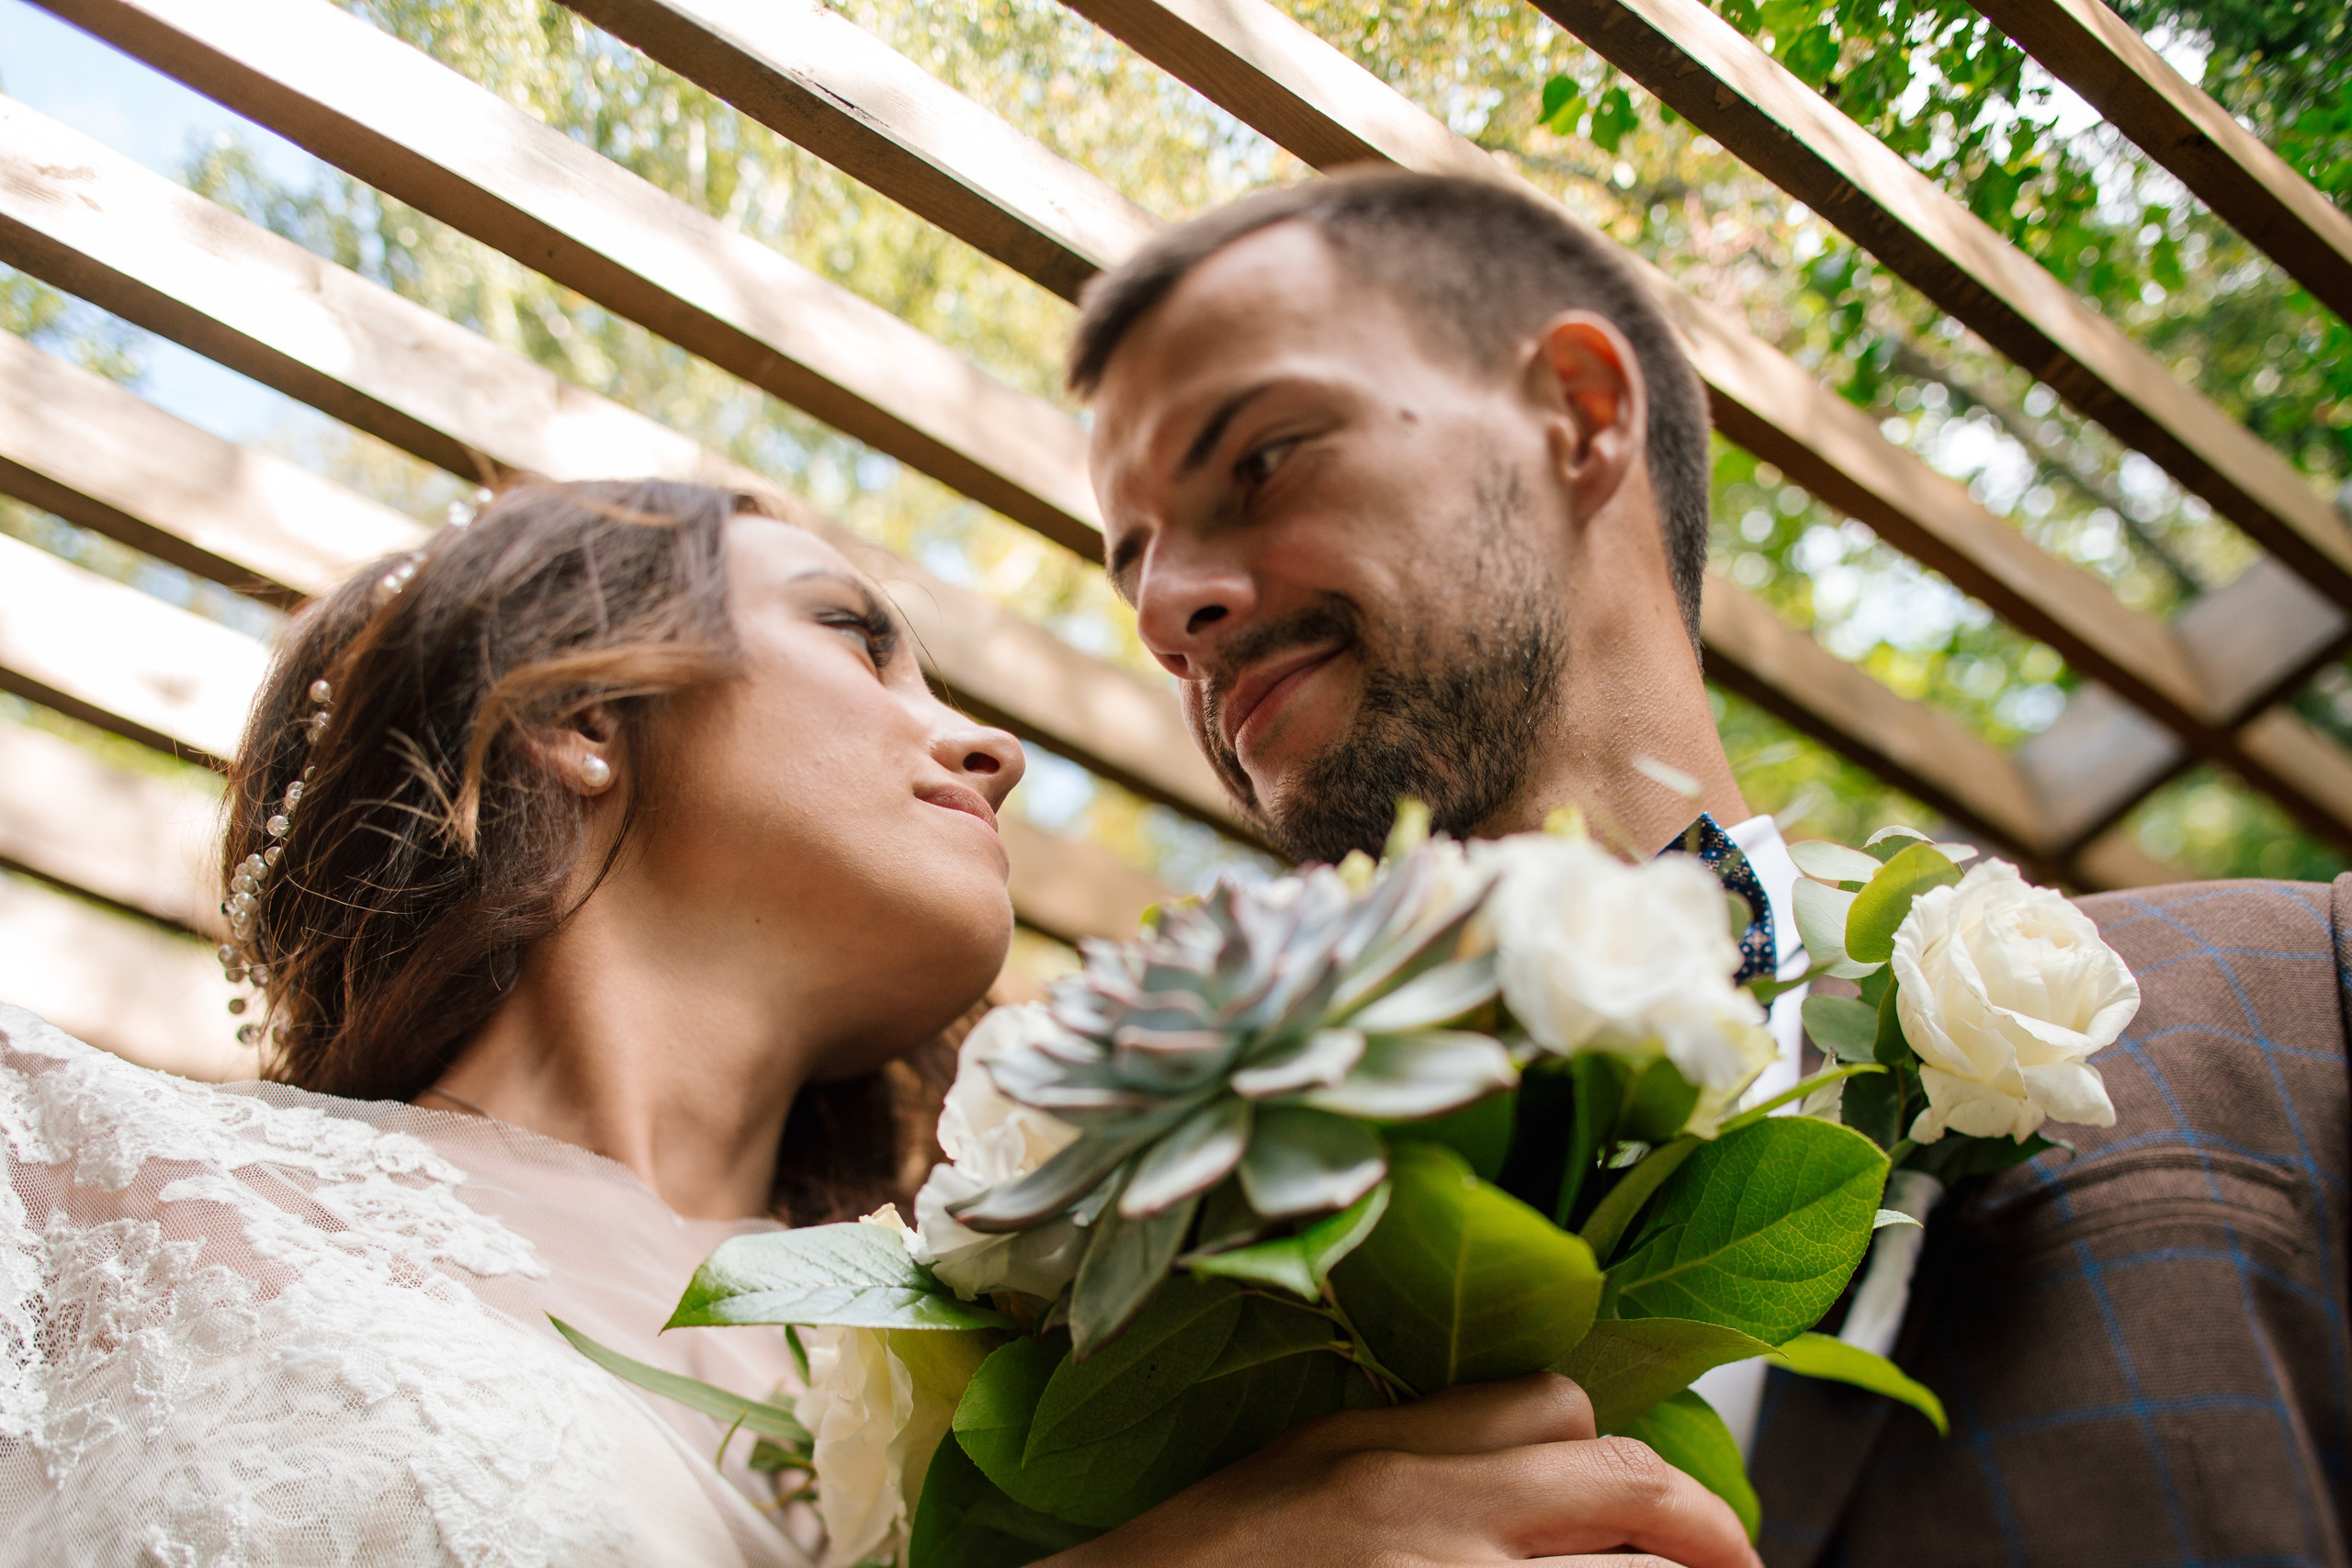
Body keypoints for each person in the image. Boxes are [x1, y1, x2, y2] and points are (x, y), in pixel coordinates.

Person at [0, 479, 1758, 1567]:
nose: (995, 745)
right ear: (576, 713)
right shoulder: (72, 1168)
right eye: (859, 640)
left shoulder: (1015, 1395)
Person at [1069, 168, 2350, 1567]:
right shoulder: (1162, 1351)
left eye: (1260, 459)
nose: (1161, 614)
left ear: (1579, 413)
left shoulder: (2303, 990)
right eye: (1129, 560)